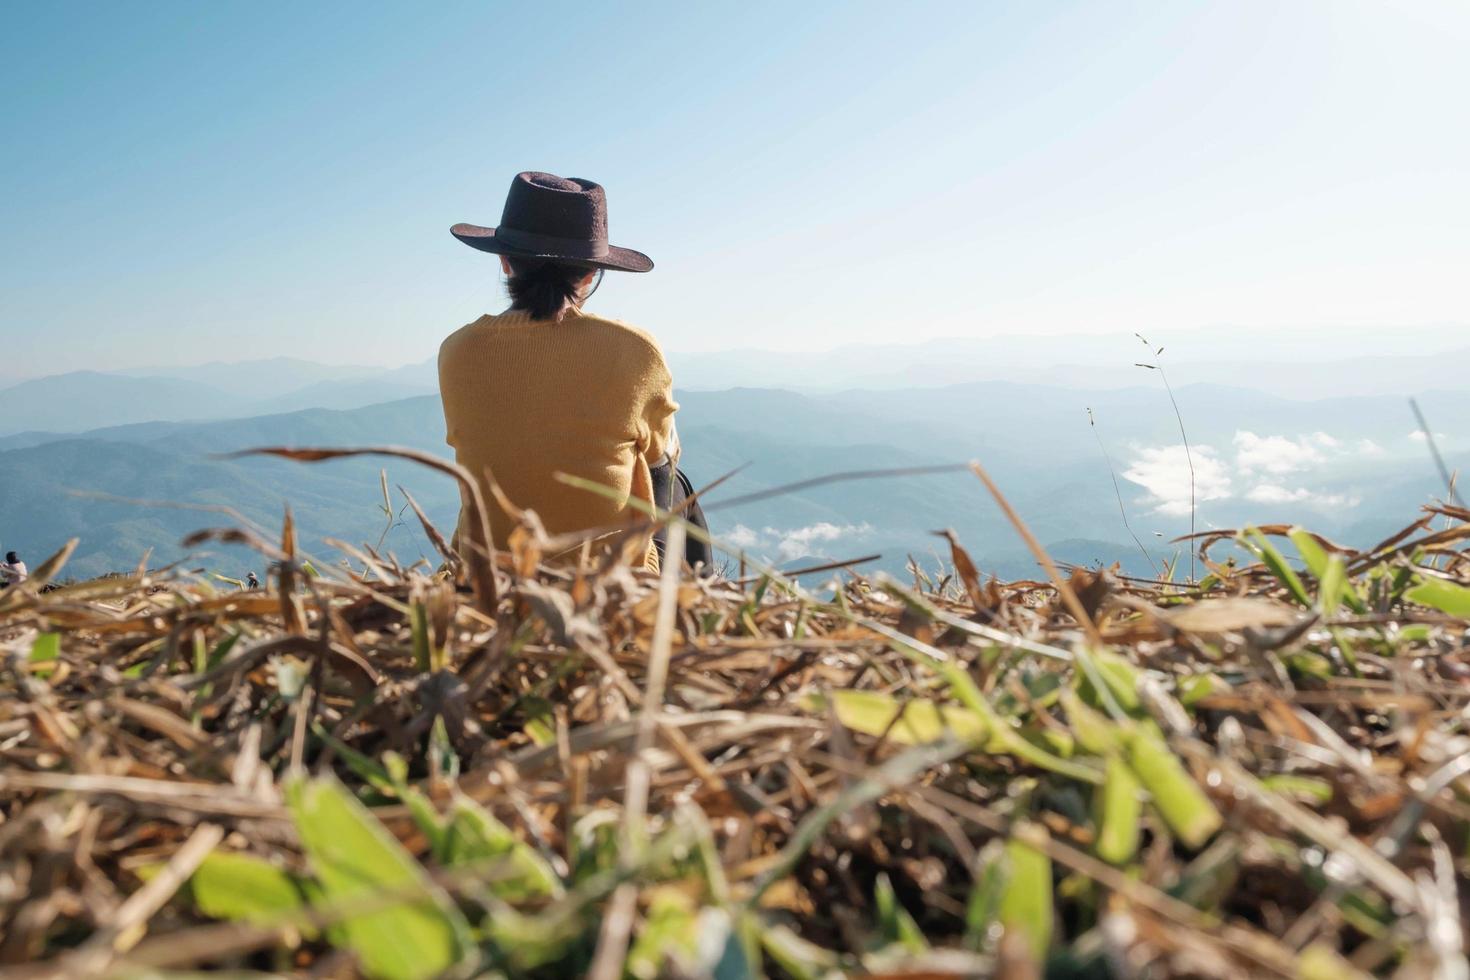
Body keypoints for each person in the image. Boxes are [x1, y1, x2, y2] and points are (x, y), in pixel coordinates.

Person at [440, 171, 711, 572]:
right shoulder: (634, 349)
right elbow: (661, 459)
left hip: (488, 577)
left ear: (504, 262)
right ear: (590, 273)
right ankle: (691, 613)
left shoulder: (457, 350)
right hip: (613, 583)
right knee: (679, 483)